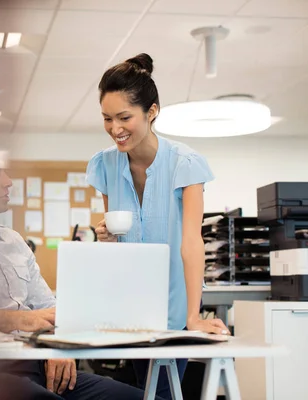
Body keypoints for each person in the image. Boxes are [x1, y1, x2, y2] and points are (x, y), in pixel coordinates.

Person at [0, 132, 153, 400]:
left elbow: (48, 307)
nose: (8, 181)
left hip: (37, 366)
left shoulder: (13, 241)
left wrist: (57, 346)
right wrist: (21, 319)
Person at [85, 53, 230, 399]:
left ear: (151, 112)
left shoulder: (185, 163)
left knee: (162, 390)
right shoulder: (104, 165)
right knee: (145, 390)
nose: (115, 129)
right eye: (107, 118)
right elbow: (117, 242)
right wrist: (105, 235)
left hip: (175, 305)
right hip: (130, 307)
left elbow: (192, 242)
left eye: (124, 117)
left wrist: (194, 317)